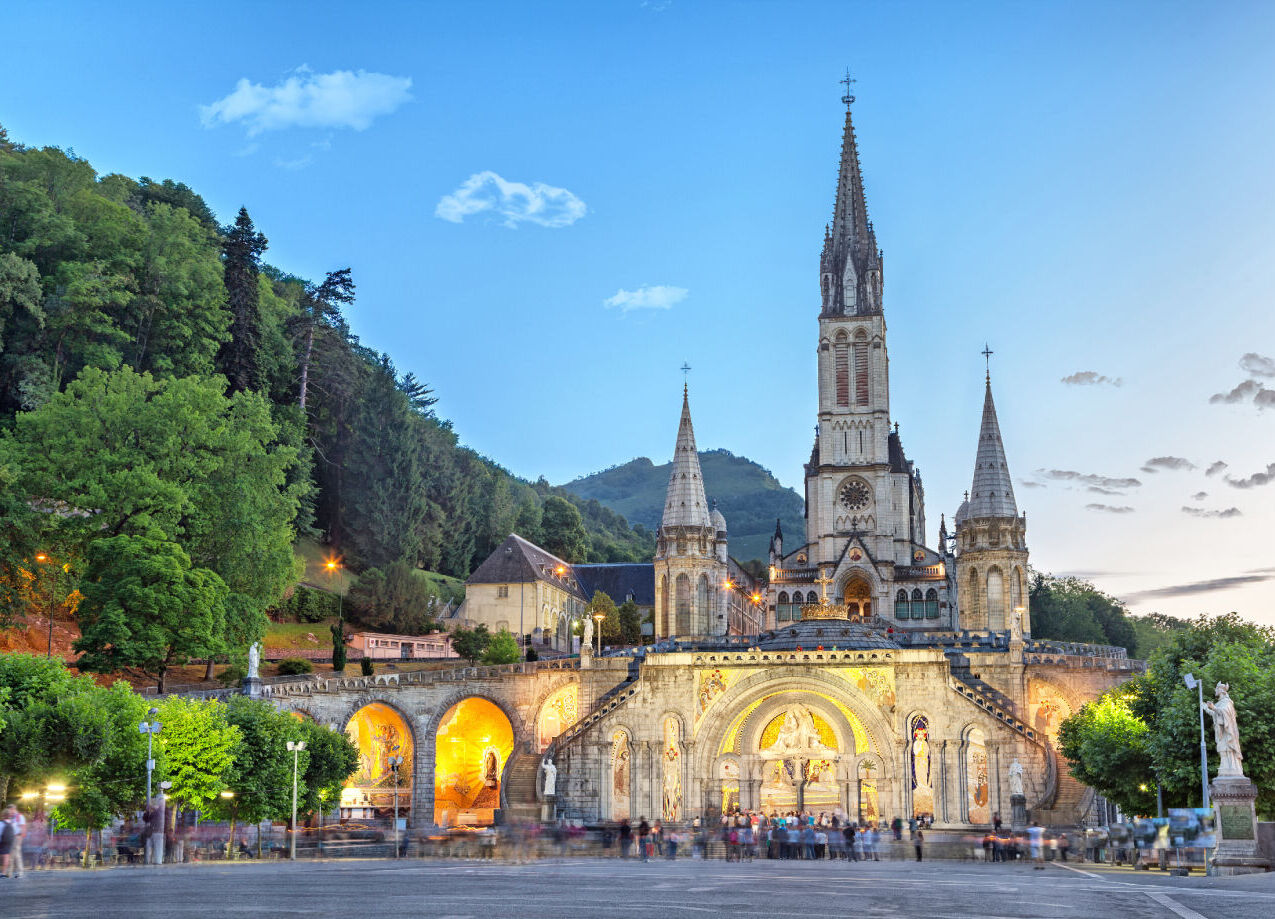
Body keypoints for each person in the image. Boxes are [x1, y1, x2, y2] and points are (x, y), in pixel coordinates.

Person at [5, 805, 24, 878]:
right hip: (10, 837)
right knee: (10, 856)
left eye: (10, 810)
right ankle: (9, 873)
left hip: (16, 837)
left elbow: (22, 827)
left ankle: (19, 872)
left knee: (17, 856)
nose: (9, 812)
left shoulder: (19, 816)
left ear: (13, 809)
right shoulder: (11, 817)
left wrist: (20, 838)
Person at [0, 809, 13, 877]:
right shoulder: (12, 823)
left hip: (2, 841)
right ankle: (4, 872)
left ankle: (3, 872)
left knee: (3, 856)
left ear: (3, 815)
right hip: (9, 842)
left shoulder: (1, 823)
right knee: (6, 856)